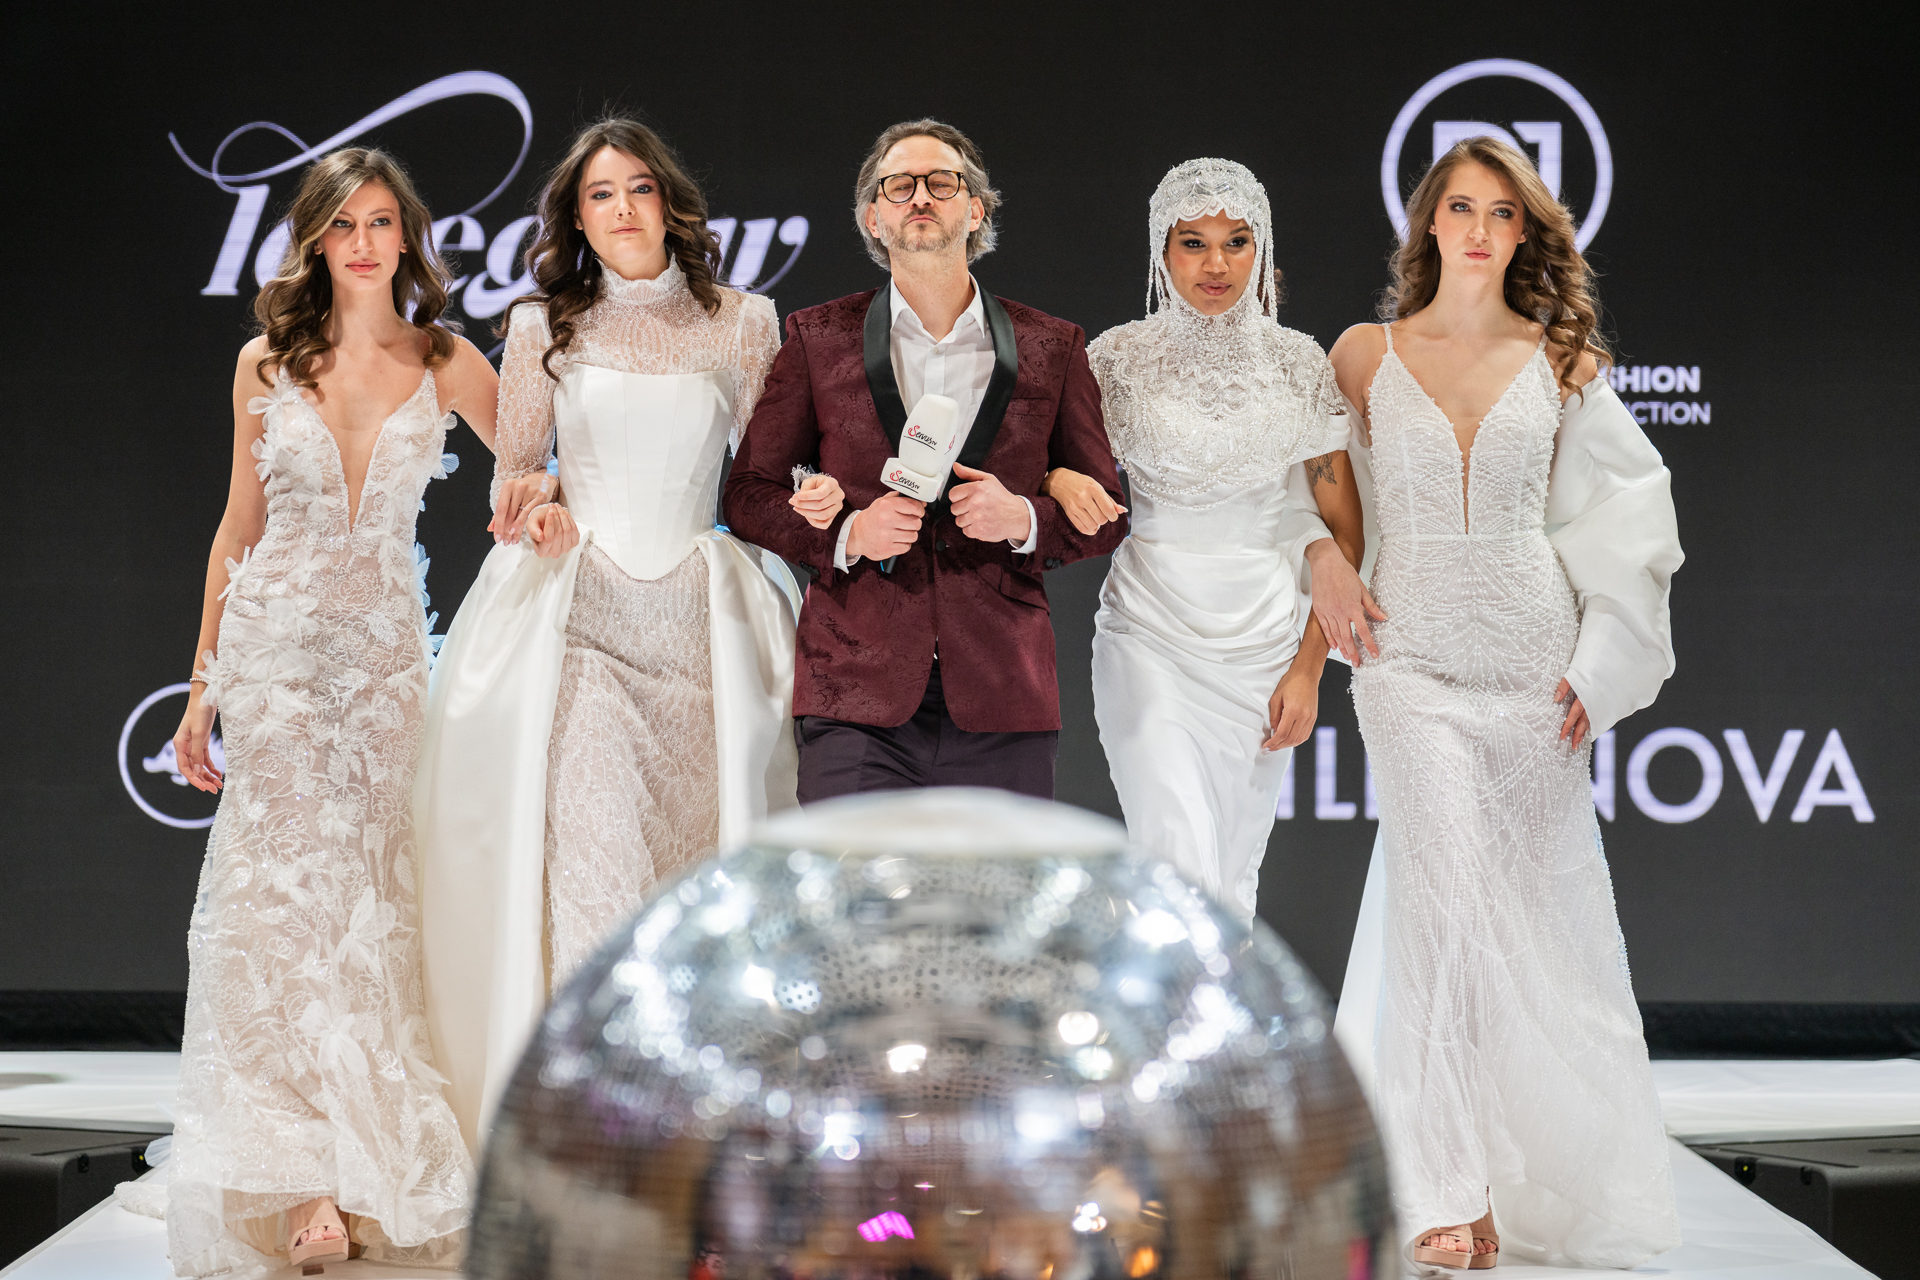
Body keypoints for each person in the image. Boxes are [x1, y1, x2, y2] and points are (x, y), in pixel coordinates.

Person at [413, 118, 809, 1154]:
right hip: (580, 622)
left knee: (695, 882)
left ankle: (690, 1136)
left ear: (668, 201)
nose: (623, 207)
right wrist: (534, 507)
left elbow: (769, 472)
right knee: (598, 871)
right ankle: (593, 1139)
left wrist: (814, 494)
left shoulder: (743, 321)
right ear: (576, 219)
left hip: (704, 629)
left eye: (638, 187)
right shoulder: (544, 322)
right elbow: (516, 473)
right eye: (600, 194)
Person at [1327, 136, 1683, 1270]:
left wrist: (1601, 664)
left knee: (1535, 926)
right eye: (1461, 207)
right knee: (1441, 910)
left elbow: (1632, 514)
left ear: (1525, 232)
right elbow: (1312, 494)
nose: (1480, 229)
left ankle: (1504, 1176)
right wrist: (1320, 563)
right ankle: (1443, 1185)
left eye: (1502, 212)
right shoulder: (1363, 354)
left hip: (1535, 667)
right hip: (1410, 661)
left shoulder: (1562, 357)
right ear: (1428, 222)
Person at [155, 147, 497, 1273]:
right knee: (283, 903)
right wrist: (202, 688)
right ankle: (305, 1181)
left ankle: (368, 1160)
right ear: (313, 238)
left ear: (408, 237)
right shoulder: (265, 361)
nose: (361, 241)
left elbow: (538, 469)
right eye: (342, 223)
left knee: (376, 901)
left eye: (381, 221)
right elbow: (235, 526)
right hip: (278, 660)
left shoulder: (447, 359)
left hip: (389, 662)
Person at [722, 118, 1127, 801]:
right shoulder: (818, 337)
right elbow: (747, 494)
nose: (920, 196)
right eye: (899, 185)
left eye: (942, 182)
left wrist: (1023, 519)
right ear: (872, 218)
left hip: (1004, 695)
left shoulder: (1051, 345)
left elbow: (1106, 514)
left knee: (1000, 880)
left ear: (976, 209)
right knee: (849, 878)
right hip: (855, 696)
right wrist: (850, 533)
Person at [1049, 158, 1373, 927]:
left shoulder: (1298, 364)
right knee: (1176, 857)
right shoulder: (1116, 359)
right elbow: (1051, 463)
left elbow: (1344, 531)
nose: (1216, 264)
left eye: (1236, 242)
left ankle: (1198, 1010)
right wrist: (1058, 478)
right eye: (1192, 242)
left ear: (1263, 248)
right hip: (1148, 633)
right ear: (1160, 251)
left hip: (1263, 649)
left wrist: (1308, 670)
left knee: (1230, 877)